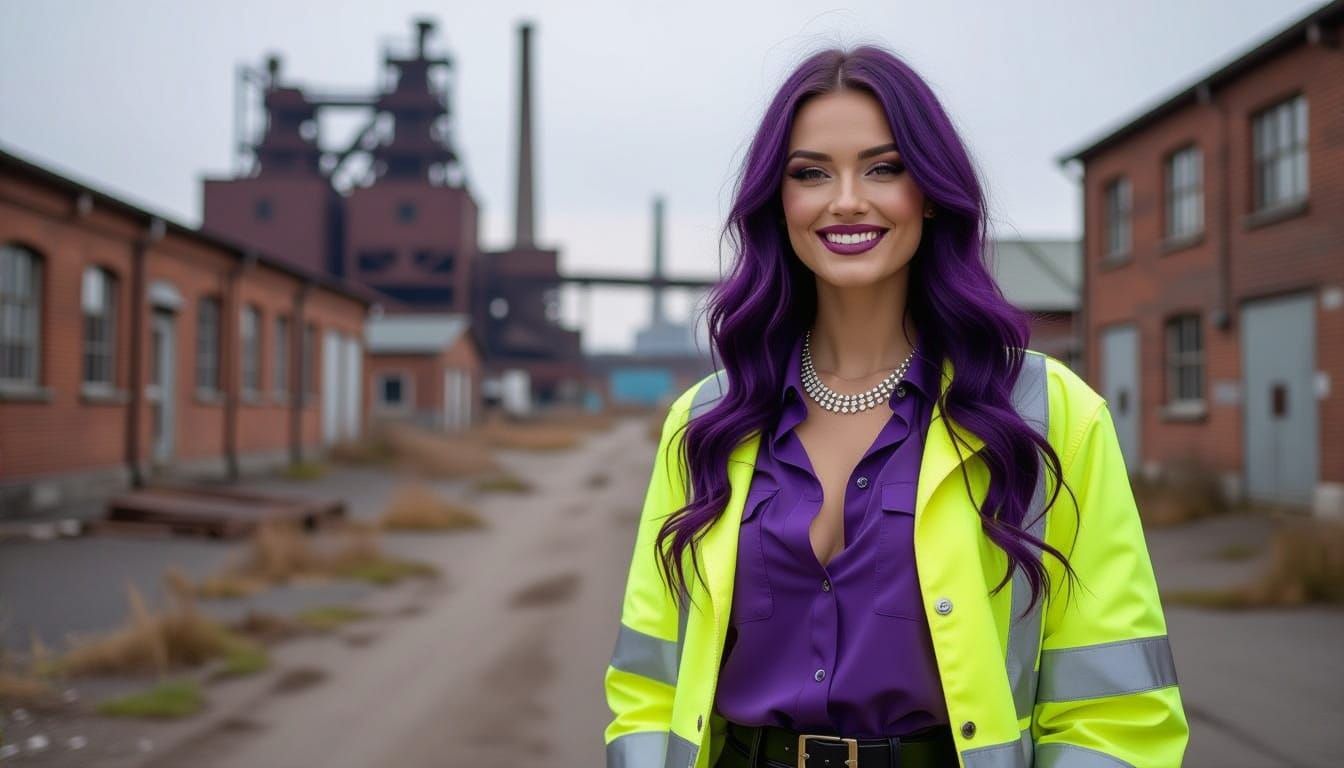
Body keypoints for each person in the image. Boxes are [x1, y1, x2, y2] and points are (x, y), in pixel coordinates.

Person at [604, 44, 1188, 768]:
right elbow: (648, 686)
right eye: (811, 173)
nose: (846, 199)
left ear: (934, 192)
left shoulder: (1047, 414)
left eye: (884, 168)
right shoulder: (708, 422)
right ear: (777, 202)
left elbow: (1117, 710)